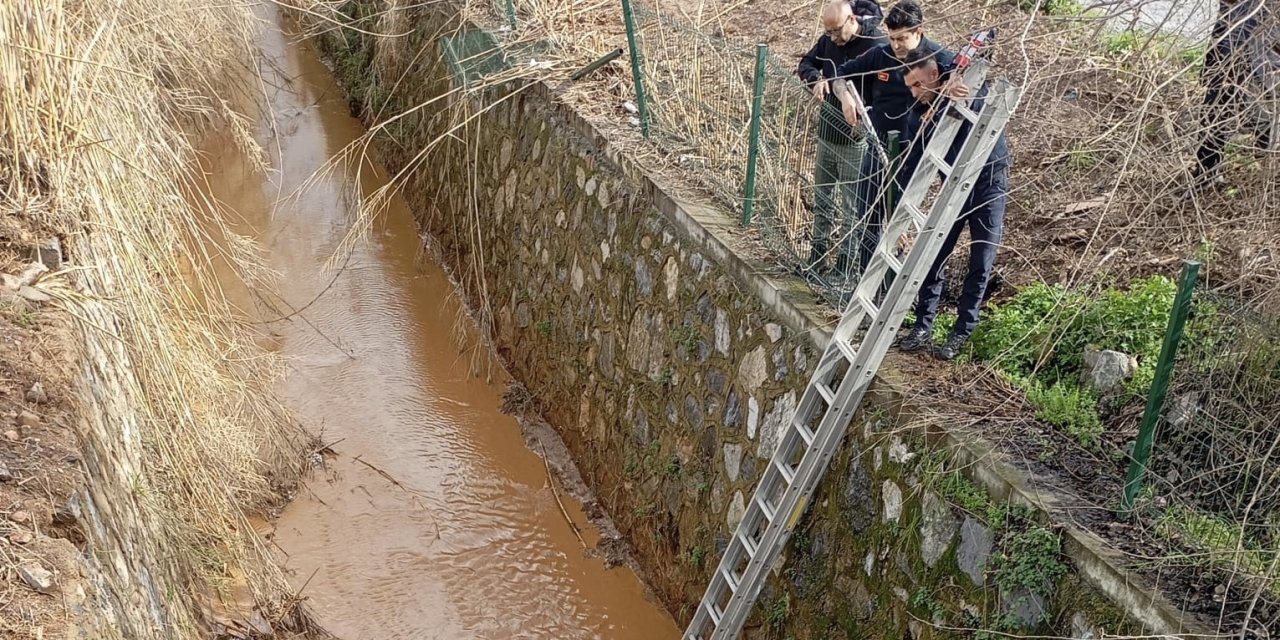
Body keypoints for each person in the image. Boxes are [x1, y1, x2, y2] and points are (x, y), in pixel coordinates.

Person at [893, 47, 1011, 361]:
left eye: (918, 85)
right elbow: (911, 167)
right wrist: (899, 217)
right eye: (910, 88)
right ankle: (922, 325)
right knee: (934, 252)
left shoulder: (966, 83)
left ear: (935, 75)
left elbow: (986, 42)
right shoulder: (919, 114)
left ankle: (961, 332)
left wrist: (958, 77)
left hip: (988, 182)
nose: (915, 93)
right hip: (952, 187)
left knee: (981, 260)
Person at [832, 1, 954, 288]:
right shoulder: (881, 55)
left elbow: (963, 84)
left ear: (919, 33)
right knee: (867, 218)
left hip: (915, 155)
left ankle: (895, 290)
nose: (897, 45)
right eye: (892, 38)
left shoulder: (939, 59)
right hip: (878, 147)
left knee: (899, 225)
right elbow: (840, 75)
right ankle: (866, 286)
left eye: (902, 39)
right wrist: (845, 96)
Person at [796, 0, 887, 279]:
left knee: (850, 208)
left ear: (851, 21)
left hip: (856, 139)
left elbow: (883, 92)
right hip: (828, 131)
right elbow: (807, 62)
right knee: (822, 199)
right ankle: (818, 256)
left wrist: (863, 108)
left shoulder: (877, 44)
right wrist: (814, 79)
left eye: (836, 31)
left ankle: (845, 266)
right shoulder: (828, 40)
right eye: (828, 33)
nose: (832, 38)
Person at [1191, 0, 1277, 188]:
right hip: (1236, 40)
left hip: (1246, 38)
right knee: (1222, 102)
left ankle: (1208, 173)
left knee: (1224, 102)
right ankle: (1207, 174)